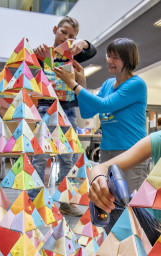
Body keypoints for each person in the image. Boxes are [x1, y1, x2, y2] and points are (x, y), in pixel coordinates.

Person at [54, 38, 148, 195]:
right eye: (108, 56)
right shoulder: (107, 84)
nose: (109, 60)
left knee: (128, 204)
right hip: (106, 151)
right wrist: (82, 82)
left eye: (115, 57)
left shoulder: (136, 84)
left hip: (131, 151)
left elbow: (105, 105)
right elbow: (87, 112)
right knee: (107, 201)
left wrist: (73, 85)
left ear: (128, 59)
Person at [88, 134, 161, 256]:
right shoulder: (159, 139)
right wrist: (98, 181)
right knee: (111, 193)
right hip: (155, 228)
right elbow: (100, 167)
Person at [32, 16, 97, 216]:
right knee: (40, 157)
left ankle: (66, 202)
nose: (67, 38)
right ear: (54, 30)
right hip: (45, 107)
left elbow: (92, 50)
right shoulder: (43, 53)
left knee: (69, 157)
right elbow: (30, 78)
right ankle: (34, 201)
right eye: (64, 33)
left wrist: (82, 43)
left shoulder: (73, 55)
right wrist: (37, 59)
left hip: (68, 110)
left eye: (72, 36)